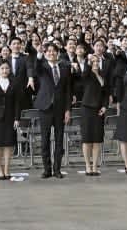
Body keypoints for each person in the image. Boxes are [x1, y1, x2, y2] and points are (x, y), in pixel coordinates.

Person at [33, 43, 72, 178]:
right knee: (45, 140)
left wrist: (67, 110)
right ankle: (47, 169)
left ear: (57, 53)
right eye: (48, 51)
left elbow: (68, 90)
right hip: (45, 108)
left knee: (59, 140)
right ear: (45, 54)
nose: (51, 53)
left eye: (53, 51)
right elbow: (36, 68)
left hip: (60, 109)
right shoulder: (42, 67)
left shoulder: (65, 67)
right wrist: (38, 54)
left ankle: (57, 169)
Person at [0, 61, 21, 180]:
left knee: (9, 144)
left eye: (7, 68)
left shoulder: (15, 82)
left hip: (10, 116)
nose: (5, 70)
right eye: (2, 68)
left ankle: (7, 169)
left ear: (10, 70)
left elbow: (17, 101)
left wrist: (17, 118)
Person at [79, 53, 109, 175]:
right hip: (87, 108)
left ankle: (95, 166)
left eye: (97, 61)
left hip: (99, 110)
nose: (96, 63)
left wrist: (105, 106)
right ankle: (87, 165)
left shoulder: (102, 74)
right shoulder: (87, 74)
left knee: (97, 139)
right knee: (87, 139)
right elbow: (83, 74)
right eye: (94, 62)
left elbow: (106, 92)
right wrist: (88, 62)